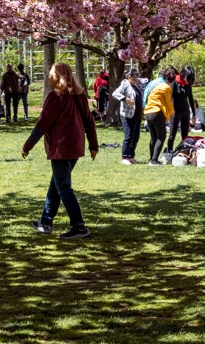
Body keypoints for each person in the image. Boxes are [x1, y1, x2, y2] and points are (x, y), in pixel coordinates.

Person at [22, 63, 98, 240]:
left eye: (50, 73)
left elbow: (42, 124)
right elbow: (89, 122)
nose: (48, 76)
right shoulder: (79, 95)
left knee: (63, 187)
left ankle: (79, 226)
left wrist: (27, 146)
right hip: (75, 146)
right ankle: (45, 222)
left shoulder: (56, 97)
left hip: (61, 148)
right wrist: (93, 145)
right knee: (56, 184)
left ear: (58, 76)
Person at [142, 67, 175, 165]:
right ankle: (154, 160)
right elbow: (168, 102)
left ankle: (151, 158)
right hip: (157, 112)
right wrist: (172, 112)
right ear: (169, 79)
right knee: (161, 137)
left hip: (148, 112)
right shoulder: (165, 87)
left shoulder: (153, 84)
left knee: (153, 137)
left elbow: (145, 96)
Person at [113, 68, 144, 163]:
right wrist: (125, 99)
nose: (137, 79)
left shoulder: (136, 85)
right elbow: (115, 93)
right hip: (127, 115)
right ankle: (125, 157)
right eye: (135, 77)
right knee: (129, 136)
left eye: (137, 77)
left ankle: (131, 156)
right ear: (129, 77)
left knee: (136, 136)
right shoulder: (125, 84)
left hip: (137, 115)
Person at [166, 66, 196, 153]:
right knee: (172, 134)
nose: (188, 81)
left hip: (185, 110)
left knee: (185, 134)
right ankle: (169, 151)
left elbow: (190, 98)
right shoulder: (174, 82)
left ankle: (184, 150)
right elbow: (170, 98)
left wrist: (193, 113)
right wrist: (172, 111)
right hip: (175, 111)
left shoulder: (188, 84)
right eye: (188, 78)